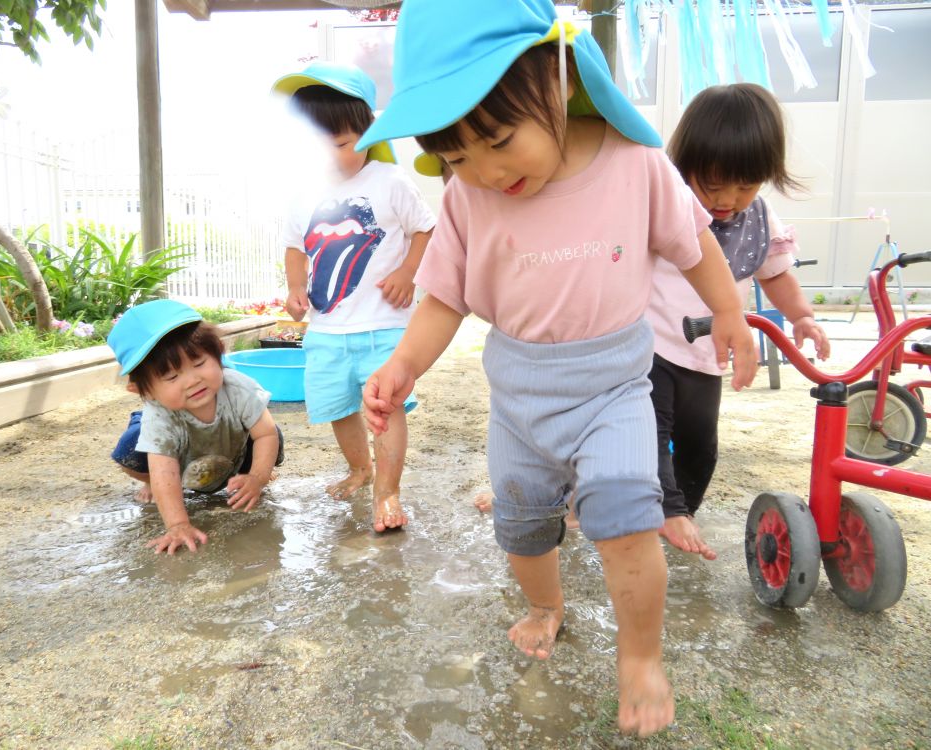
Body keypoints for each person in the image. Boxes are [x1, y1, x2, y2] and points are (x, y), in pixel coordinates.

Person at [358, 0, 758, 737]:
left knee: (627, 516)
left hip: (612, 388)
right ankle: (546, 605)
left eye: (498, 139)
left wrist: (729, 312)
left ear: (556, 75)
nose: (482, 169)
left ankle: (640, 656)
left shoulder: (634, 164)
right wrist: (403, 364)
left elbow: (693, 244)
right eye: (455, 157)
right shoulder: (469, 198)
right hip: (518, 398)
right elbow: (443, 296)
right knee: (523, 528)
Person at [647, 84, 831, 561]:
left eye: (746, 185)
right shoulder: (663, 203)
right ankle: (664, 509)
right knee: (648, 431)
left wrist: (803, 317)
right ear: (683, 166)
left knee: (701, 448)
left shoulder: (760, 219)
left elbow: (777, 276)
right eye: (712, 184)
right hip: (650, 347)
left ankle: (680, 513)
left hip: (707, 356)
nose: (728, 198)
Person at [272, 62, 436, 532]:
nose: (329, 156)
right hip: (326, 330)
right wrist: (296, 286)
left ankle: (387, 491)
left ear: (365, 135)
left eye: (341, 144)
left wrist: (408, 271)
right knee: (337, 408)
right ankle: (360, 469)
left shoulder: (388, 180)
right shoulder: (302, 192)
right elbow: (294, 246)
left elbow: (426, 228)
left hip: (383, 326)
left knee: (386, 409)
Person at [109, 299, 284, 554]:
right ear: (144, 391)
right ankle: (154, 486)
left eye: (200, 363)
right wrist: (178, 524)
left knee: (272, 433)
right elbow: (164, 471)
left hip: (231, 449)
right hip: (179, 455)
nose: (193, 380)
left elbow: (265, 434)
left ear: (218, 353)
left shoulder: (238, 388)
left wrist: (258, 477)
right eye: (171, 376)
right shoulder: (160, 415)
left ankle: (249, 476)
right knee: (131, 448)